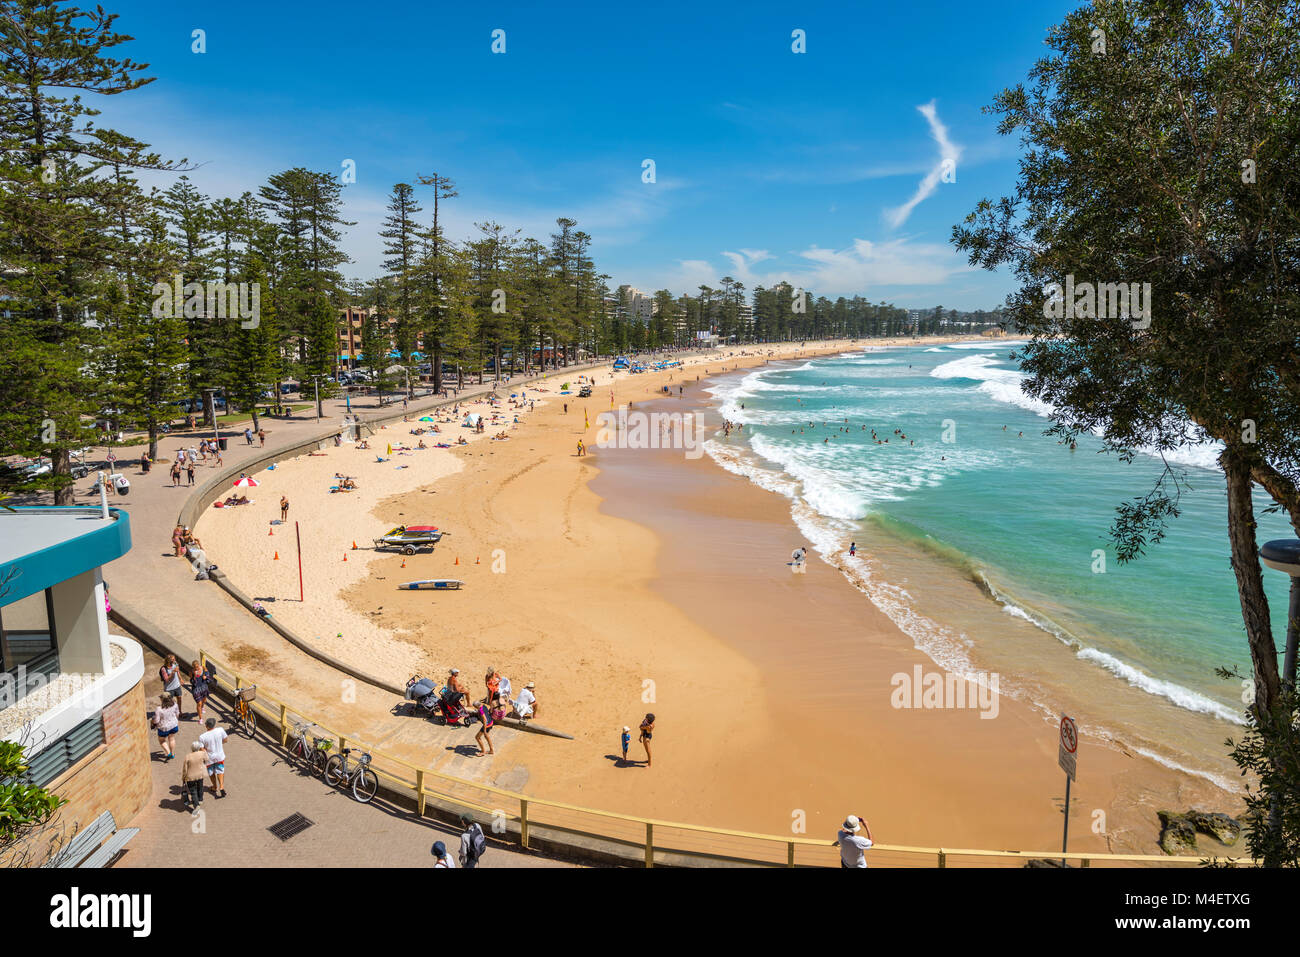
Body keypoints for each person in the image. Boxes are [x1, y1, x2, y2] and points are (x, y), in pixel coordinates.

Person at [198, 717, 228, 798]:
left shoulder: (202, 737)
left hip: (209, 758)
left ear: (206, 726)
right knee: (220, 770)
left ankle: (214, 786)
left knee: (211, 773)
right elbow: (225, 740)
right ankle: (221, 786)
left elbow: (202, 749)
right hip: (219, 756)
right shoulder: (220, 730)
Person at [152, 692, 180, 760]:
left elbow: (157, 721)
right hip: (174, 725)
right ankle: (172, 754)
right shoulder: (175, 705)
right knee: (171, 739)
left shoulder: (159, 709)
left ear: (162, 699)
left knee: (162, 741)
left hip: (163, 728)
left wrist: (152, 721)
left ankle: (168, 753)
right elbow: (177, 714)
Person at [181, 741, 207, 812]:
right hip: (200, 774)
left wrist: (183, 777)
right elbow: (207, 759)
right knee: (200, 786)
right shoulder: (202, 753)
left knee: (193, 790)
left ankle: (196, 805)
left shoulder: (188, 756)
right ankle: (200, 799)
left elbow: (185, 769)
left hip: (191, 776)